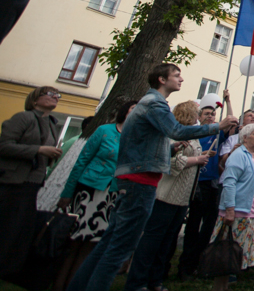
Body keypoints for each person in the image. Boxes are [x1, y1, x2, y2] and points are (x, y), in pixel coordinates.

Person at [66, 64, 238, 291]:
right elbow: (176, 130)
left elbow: (146, 143)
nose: (181, 79)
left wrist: (170, 149)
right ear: (161, 79)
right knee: (119, 248)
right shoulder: (155, 103)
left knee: (109, 243)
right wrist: (218, 126)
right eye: (176, 75)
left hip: (135, 179)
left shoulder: (150, 103)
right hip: (139, 182)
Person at [124, 101, 210, 291]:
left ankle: (156, 280)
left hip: (182, 197)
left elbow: (189, 156)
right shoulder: (172, 135)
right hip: (166, 194)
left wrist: (200, 157)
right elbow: (169, 162)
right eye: (196, 113)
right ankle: (137, 281)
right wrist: (196, 159)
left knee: (167, 241)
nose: (198, 117)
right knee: (152, 240)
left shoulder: (191, 135)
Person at [53, 101, 136, 291]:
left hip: (110, 197)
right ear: (125, 111)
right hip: (88, 191)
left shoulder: (136, 138)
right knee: (74, 241)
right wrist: (67, 193)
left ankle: (77, 285)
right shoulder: (104, 131)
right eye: (134, 108)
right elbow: (82, 161)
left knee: (93, 244)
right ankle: (59, 284)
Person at [0, 86, 62, 279]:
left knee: (20, 229)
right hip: (14, 181)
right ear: (35, 100)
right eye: (49, 94)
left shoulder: (51, 123)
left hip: (33, 184)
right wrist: (38, 150)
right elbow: (4, 146)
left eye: (57, 95)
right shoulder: (23, 118)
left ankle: (8, 269)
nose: (55, 97)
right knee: (7, 226)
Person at [178, 90, 235, 279]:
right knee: (193, 224)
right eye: (207, 114)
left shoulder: (216, 133)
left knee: (209, 225)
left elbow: (231, 123)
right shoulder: (194, 134)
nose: (210, 116)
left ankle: (199, 262)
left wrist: (228, 101)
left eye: (213, 114)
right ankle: (185, 266)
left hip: (213, 183)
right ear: (199, 117)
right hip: (197, 182)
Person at [211, 123, 254, 291]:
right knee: (227, 254)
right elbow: (229, 182)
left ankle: (225, 286)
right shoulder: (238, 155)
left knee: (237, 255)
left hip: (252, 211)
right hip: (237, 211)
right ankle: (219, 287)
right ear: (244, 137)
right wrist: (229, 209)